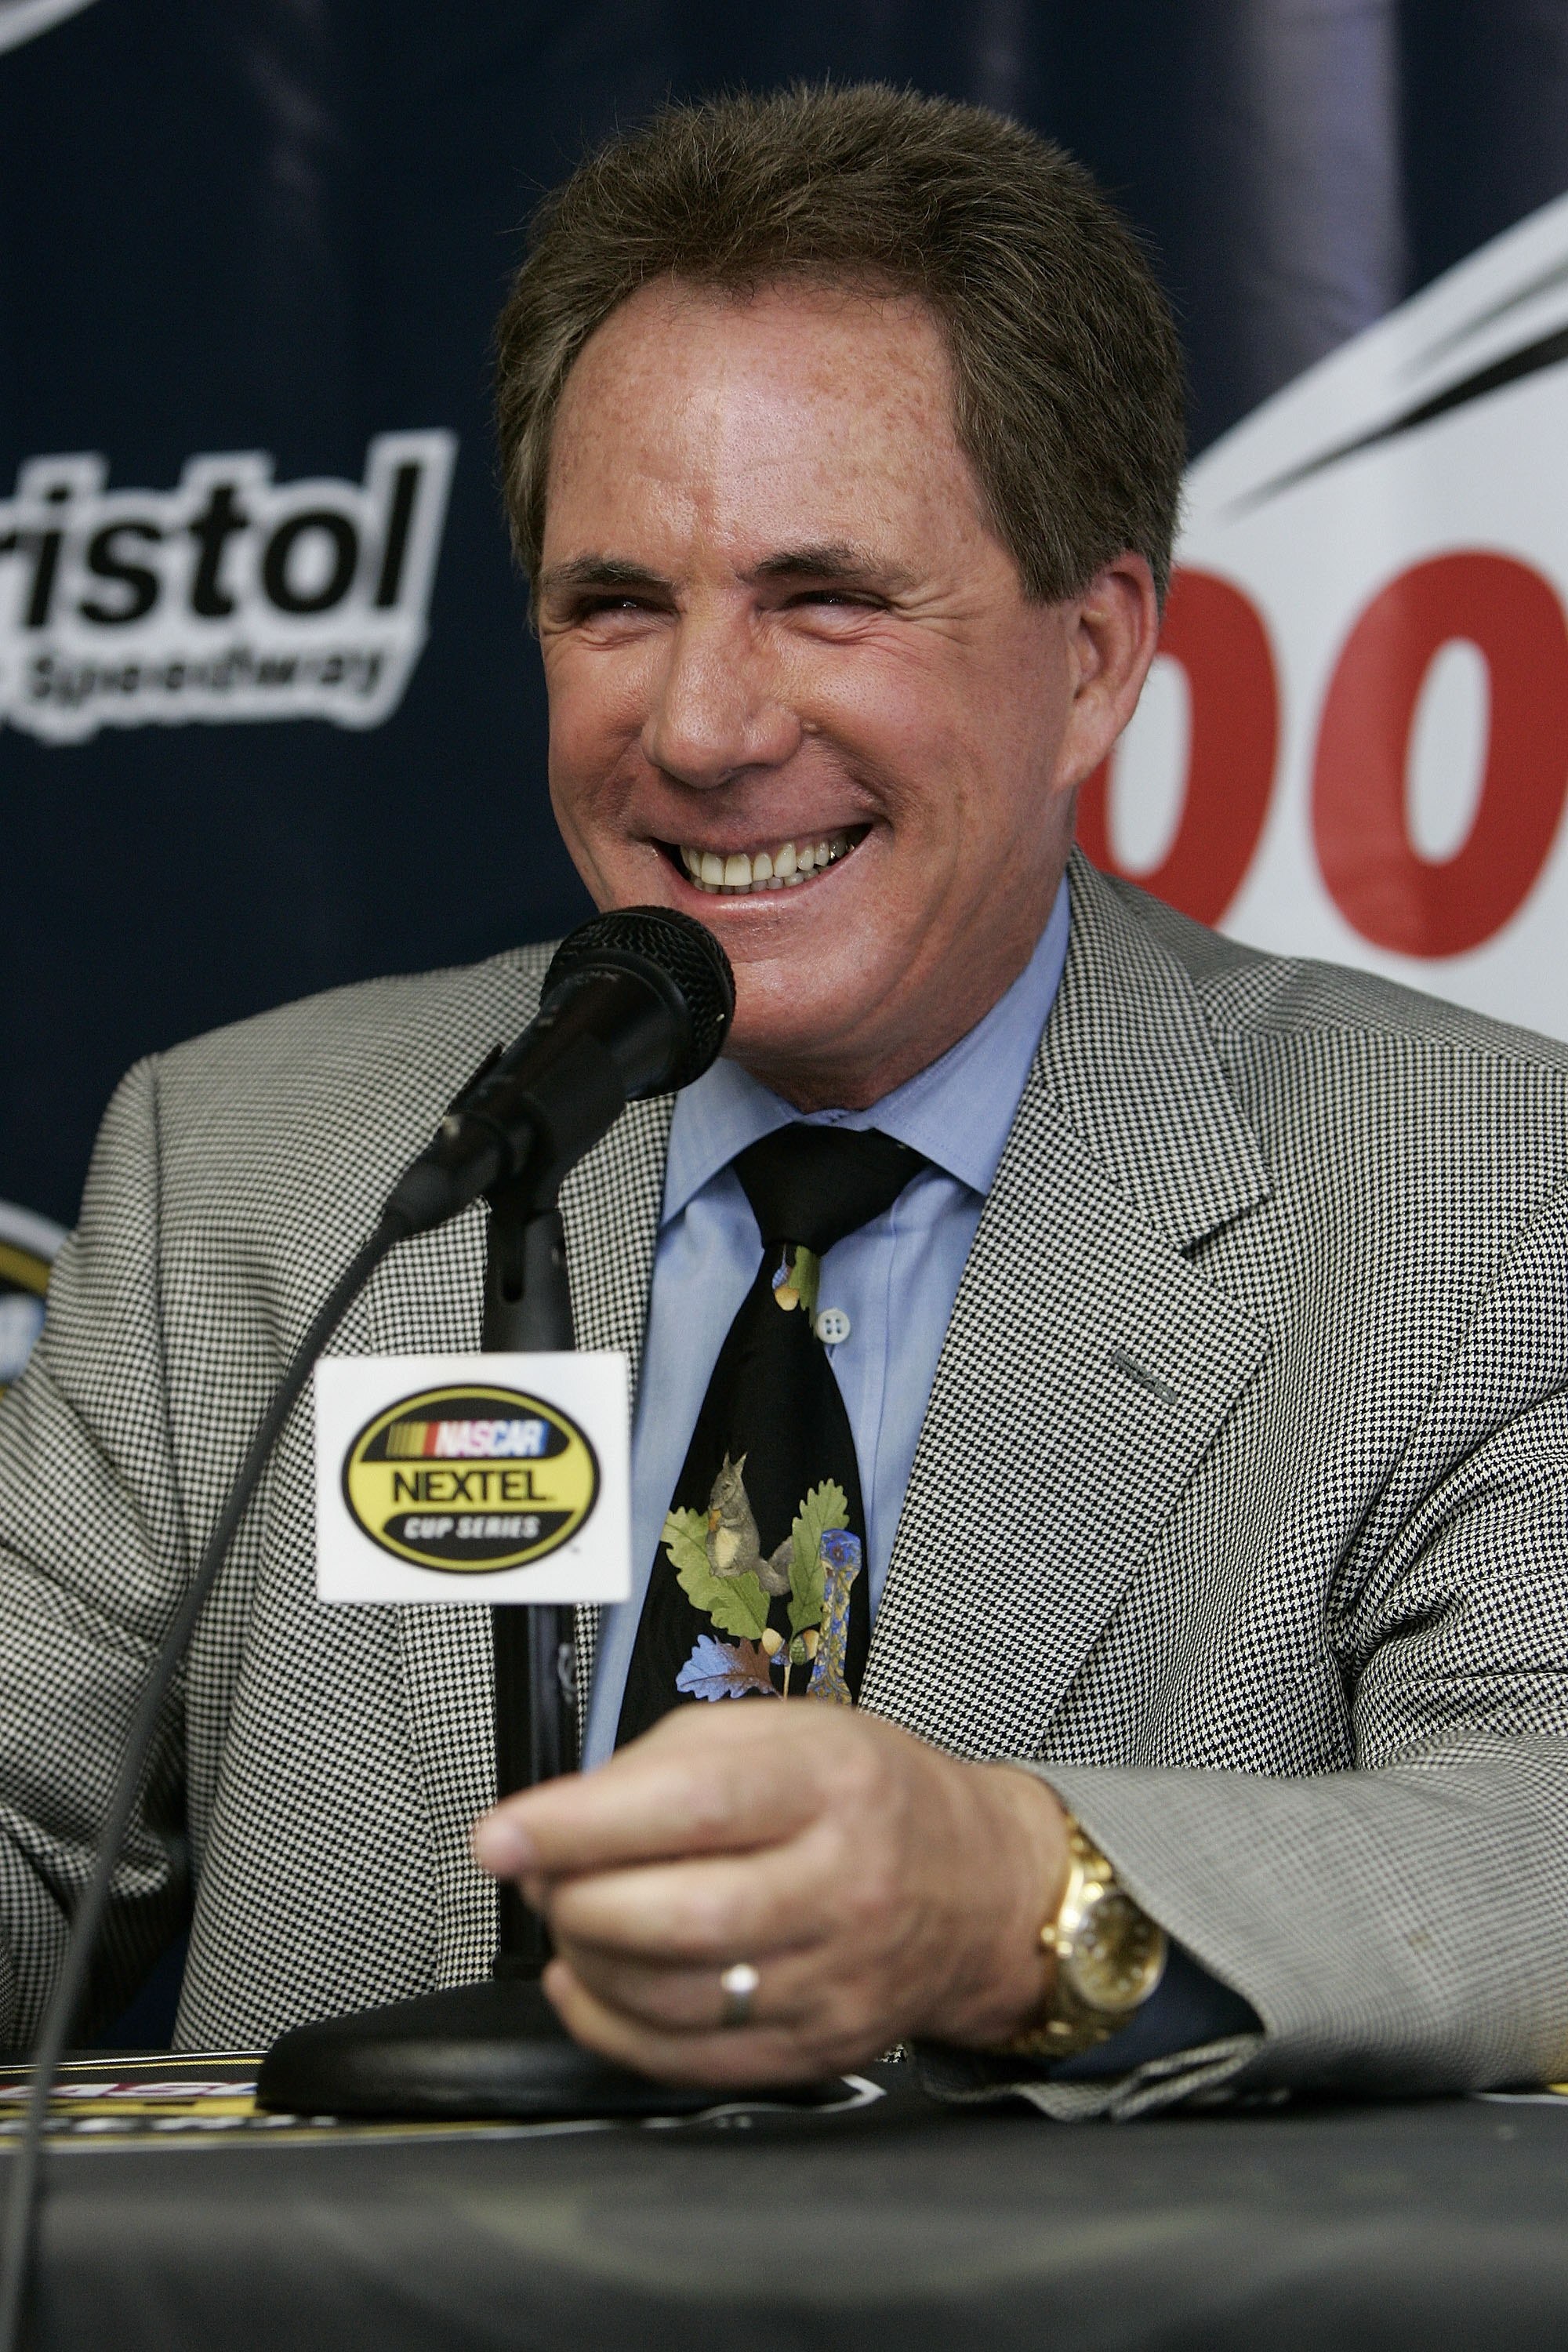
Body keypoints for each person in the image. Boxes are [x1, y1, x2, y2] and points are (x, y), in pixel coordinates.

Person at [3, 85, 1567, 2120]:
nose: (704, 729)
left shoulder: (1478, 1189)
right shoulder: (260, 1167)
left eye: (825, 594)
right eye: (615, 606)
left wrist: (1015, 1898)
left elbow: (1538, 1844)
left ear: (1094, 659)